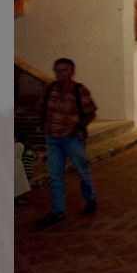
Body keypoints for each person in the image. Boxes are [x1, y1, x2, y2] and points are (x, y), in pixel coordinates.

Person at [34, 58, 99, 228]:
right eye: (57, 70)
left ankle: (90, 198)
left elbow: (91, 112)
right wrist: (45, 125)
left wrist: (78, 127)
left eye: (63, 70)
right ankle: (58, 210)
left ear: (71, 72)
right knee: (54, 175)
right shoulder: (49, 89)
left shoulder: (79, 90)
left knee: (81, 171)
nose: (59, 74)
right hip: (53, 139)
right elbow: (40, 107)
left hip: (72, 139)